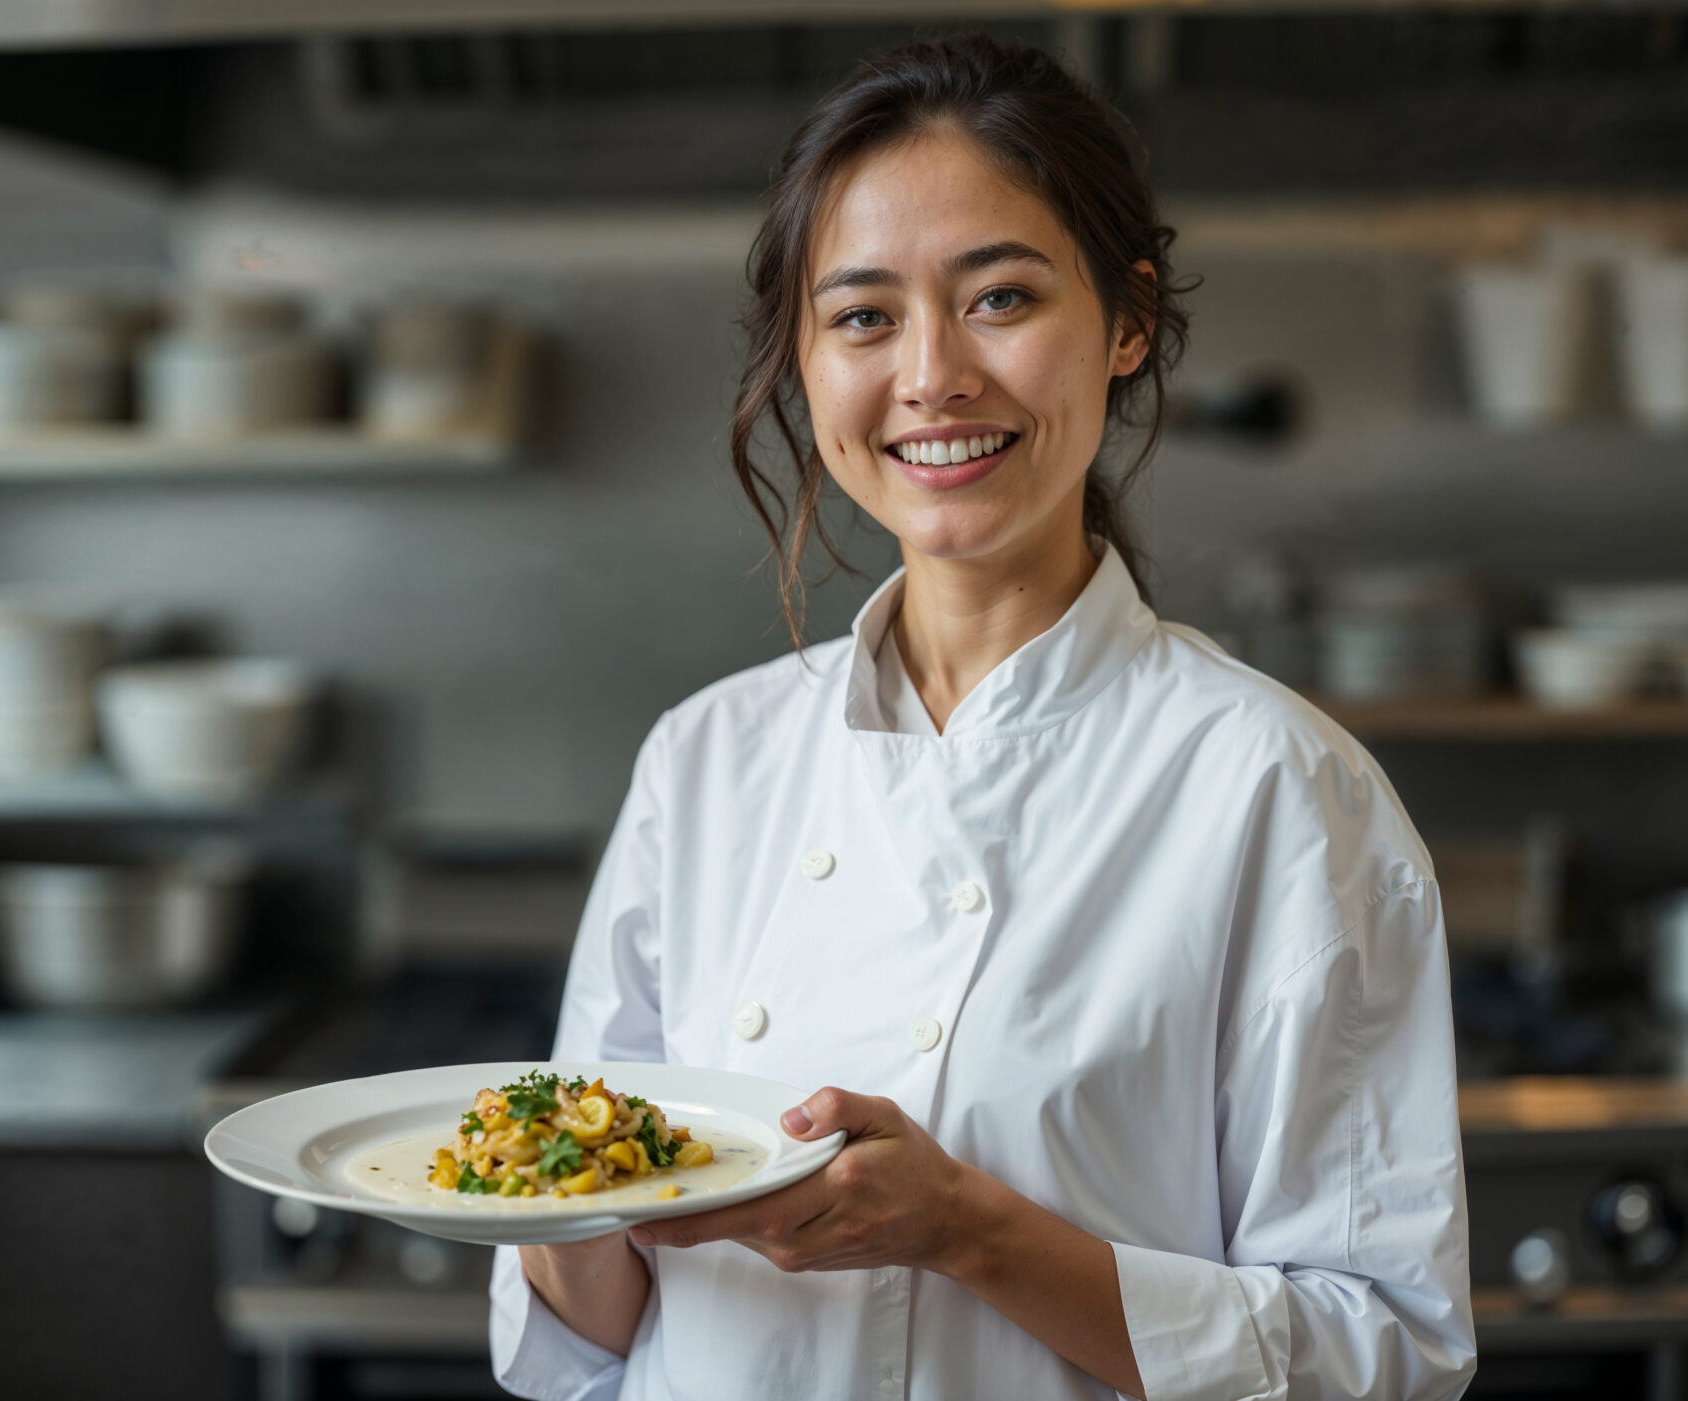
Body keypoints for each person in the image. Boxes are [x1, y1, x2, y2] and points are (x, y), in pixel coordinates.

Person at [490, 32, 1475, 1401]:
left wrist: (968, 1228)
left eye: (999, 296)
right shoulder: (708, 759)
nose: (932, 375)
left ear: (1126, 319)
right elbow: (591, 1334)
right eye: (862, 316)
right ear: (805, 359)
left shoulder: (1277, 787)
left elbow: (1386, 1350)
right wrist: (557, 1205)